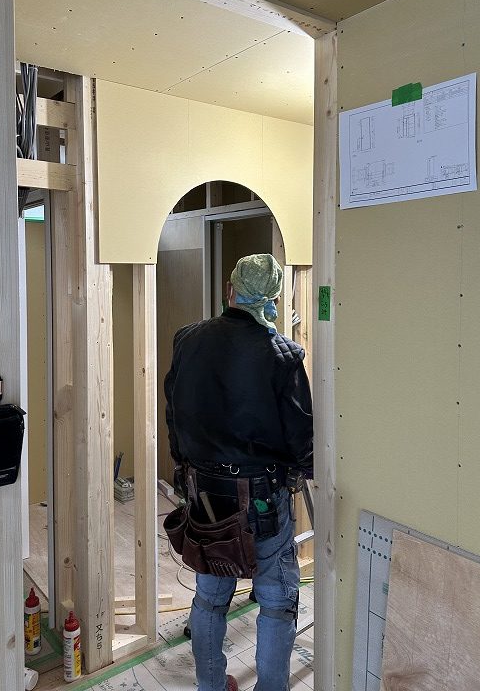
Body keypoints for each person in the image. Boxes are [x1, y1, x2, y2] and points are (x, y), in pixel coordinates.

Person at [164, 253, 313, 691]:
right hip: (261, 499)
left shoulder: (187, 339)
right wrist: (306, 469)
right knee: (277, 602)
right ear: (274, 299)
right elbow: (301, 434)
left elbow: (174, 411)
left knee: (210, 598)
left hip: (206, 497)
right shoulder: (283, 355)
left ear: (230, 290)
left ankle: (210, 685)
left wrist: (184, 465)